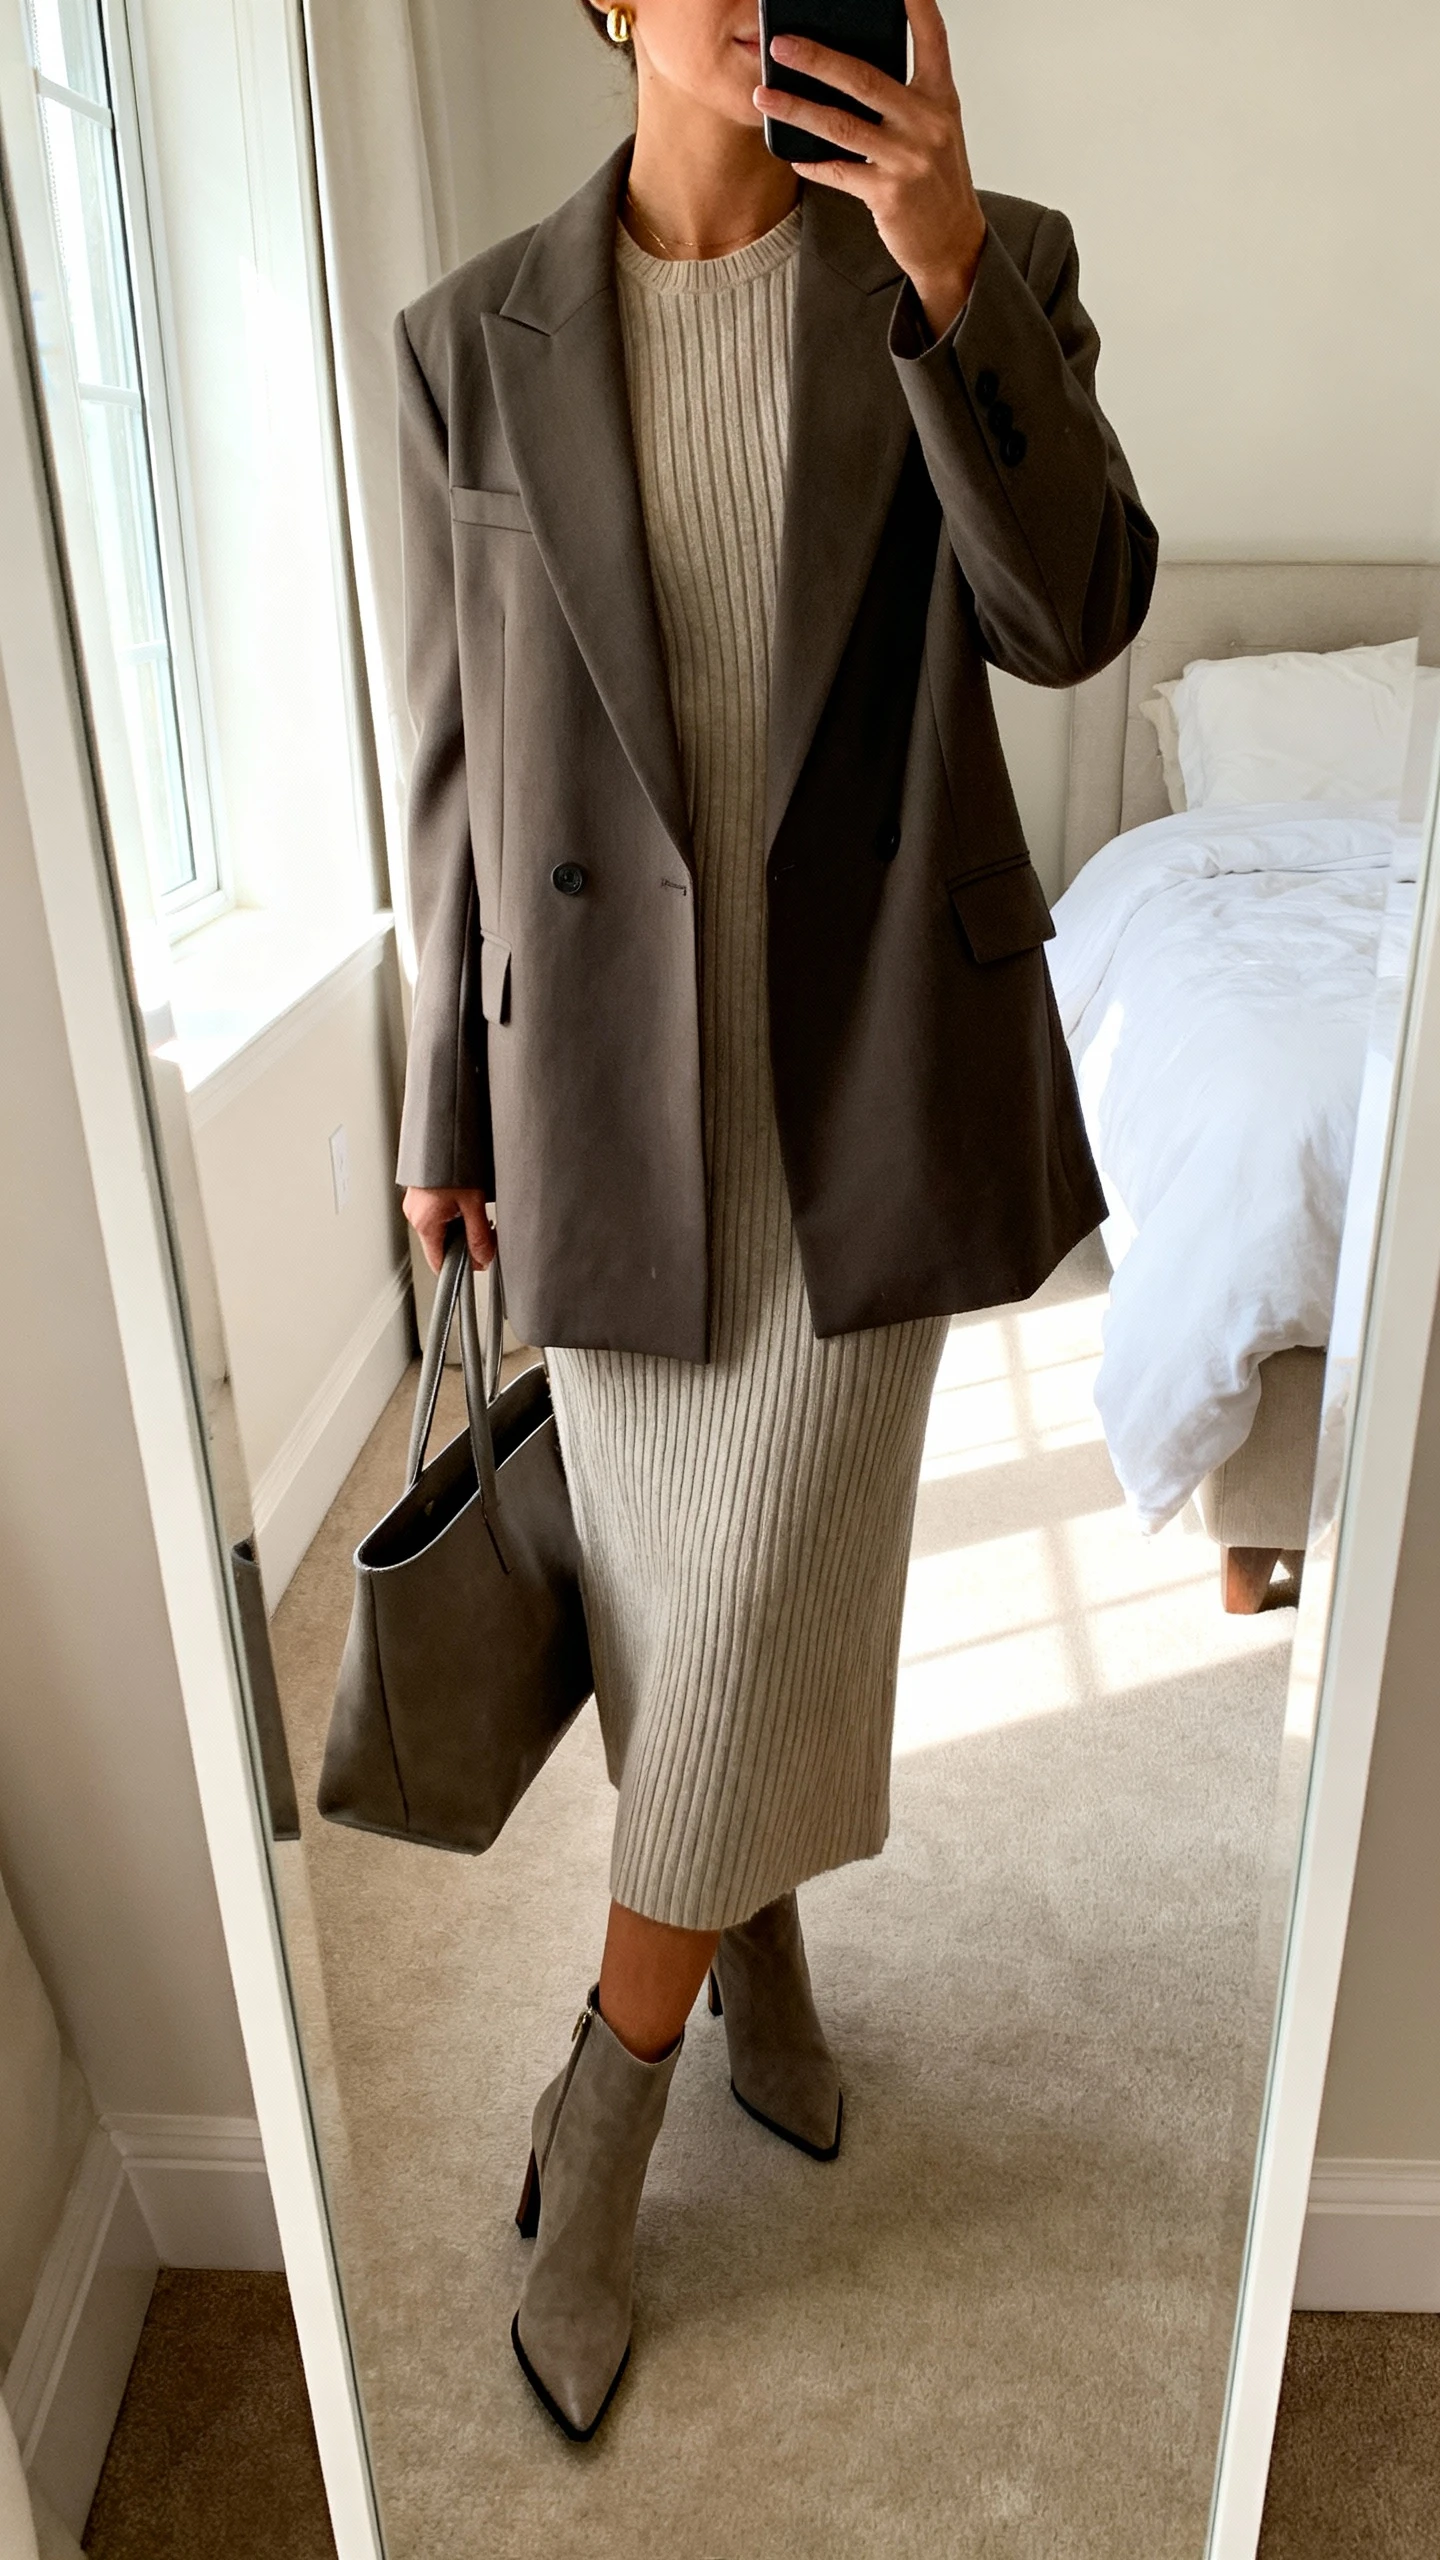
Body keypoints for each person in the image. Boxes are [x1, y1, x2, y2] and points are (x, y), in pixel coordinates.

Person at [395, 0, 1155, 2441]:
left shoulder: (986, 262)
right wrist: (444, 1092)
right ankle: (765, 1969)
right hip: (602, 1110)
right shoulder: (465, 344)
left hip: (859, 1101)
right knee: (682, 1597)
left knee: (751, 1599)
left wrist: (943, 268)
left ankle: (590, 2133)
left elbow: (1073, 617)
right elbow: (445, 766)